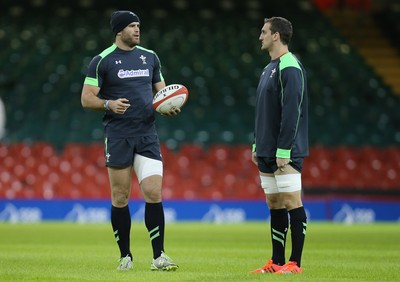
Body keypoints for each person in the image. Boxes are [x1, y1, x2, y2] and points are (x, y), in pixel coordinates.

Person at [81, 10, 179, 271]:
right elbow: (87, 98)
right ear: (119, 30)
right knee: (121, 197)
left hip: (147, 135)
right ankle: (125, 256)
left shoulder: (150, 57)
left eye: (138, 25)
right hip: (118, 136)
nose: (137, 30)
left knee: (154, 193)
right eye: (132, 26)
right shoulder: (102, 61)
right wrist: (108, 103)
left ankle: (159, 256)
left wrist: (167, 106)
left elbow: (162, 94)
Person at [250, 17, 309, 275]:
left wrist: (284, 149)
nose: (260, 36)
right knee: (274, 203)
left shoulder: (289, 65)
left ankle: (294, 263)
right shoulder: (268, 68)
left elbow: (292, 110)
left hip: (285, 151)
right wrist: (257, 144)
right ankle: (276, 262)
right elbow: (264, 112)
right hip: (265, 149)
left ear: (276, 36)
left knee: (291, 201)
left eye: (264, 32)